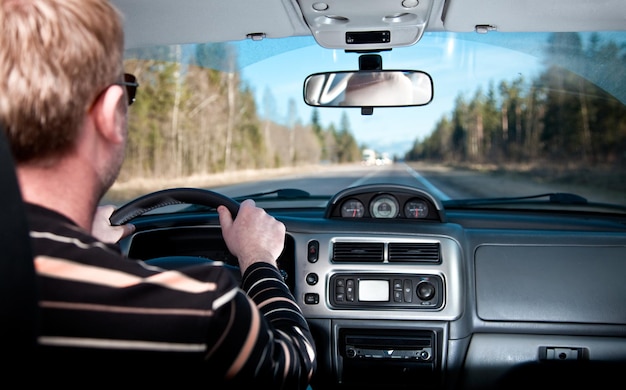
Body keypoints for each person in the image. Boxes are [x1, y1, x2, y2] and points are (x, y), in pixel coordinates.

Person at [0, 0, 316, 387]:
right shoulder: (202, 309)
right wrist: (259, 258)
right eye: (127, 92)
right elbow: (294, 363)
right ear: (108, 112)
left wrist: (82, 242)